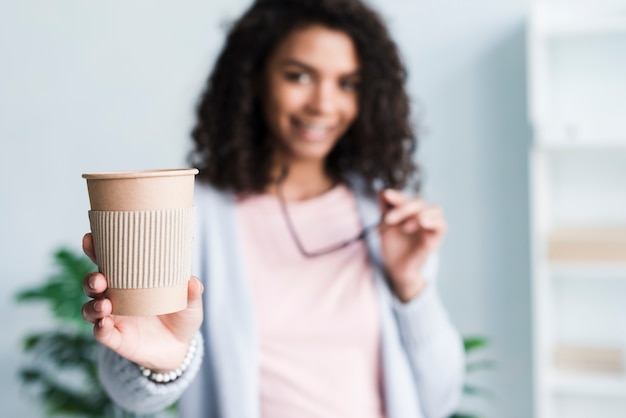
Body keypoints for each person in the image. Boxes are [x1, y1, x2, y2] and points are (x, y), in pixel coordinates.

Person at [81, 0, 465, 417]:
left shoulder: (383, 216)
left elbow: (439, 399)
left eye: (348, 84)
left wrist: (410, 285)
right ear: (254, 78)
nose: (323, 104)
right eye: (299, 76)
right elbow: (132, 391)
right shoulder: (196, 214)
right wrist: (159, 363)